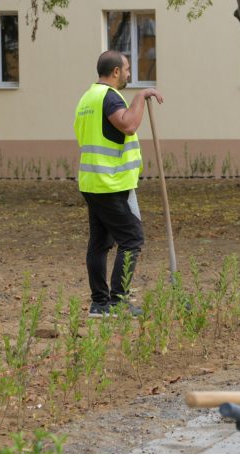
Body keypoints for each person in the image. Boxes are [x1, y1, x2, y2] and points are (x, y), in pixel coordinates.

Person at [74, 50, 164, 318]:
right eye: (126, 69)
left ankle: (100, 304)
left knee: (99, 243)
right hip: (109, 182)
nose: (128, 74)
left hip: (92, 181)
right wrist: (139, 97)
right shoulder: (110, 97)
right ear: (115, 71)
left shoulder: (87, 97)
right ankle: (116, 302)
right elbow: (128, 125)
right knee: (132, 238)